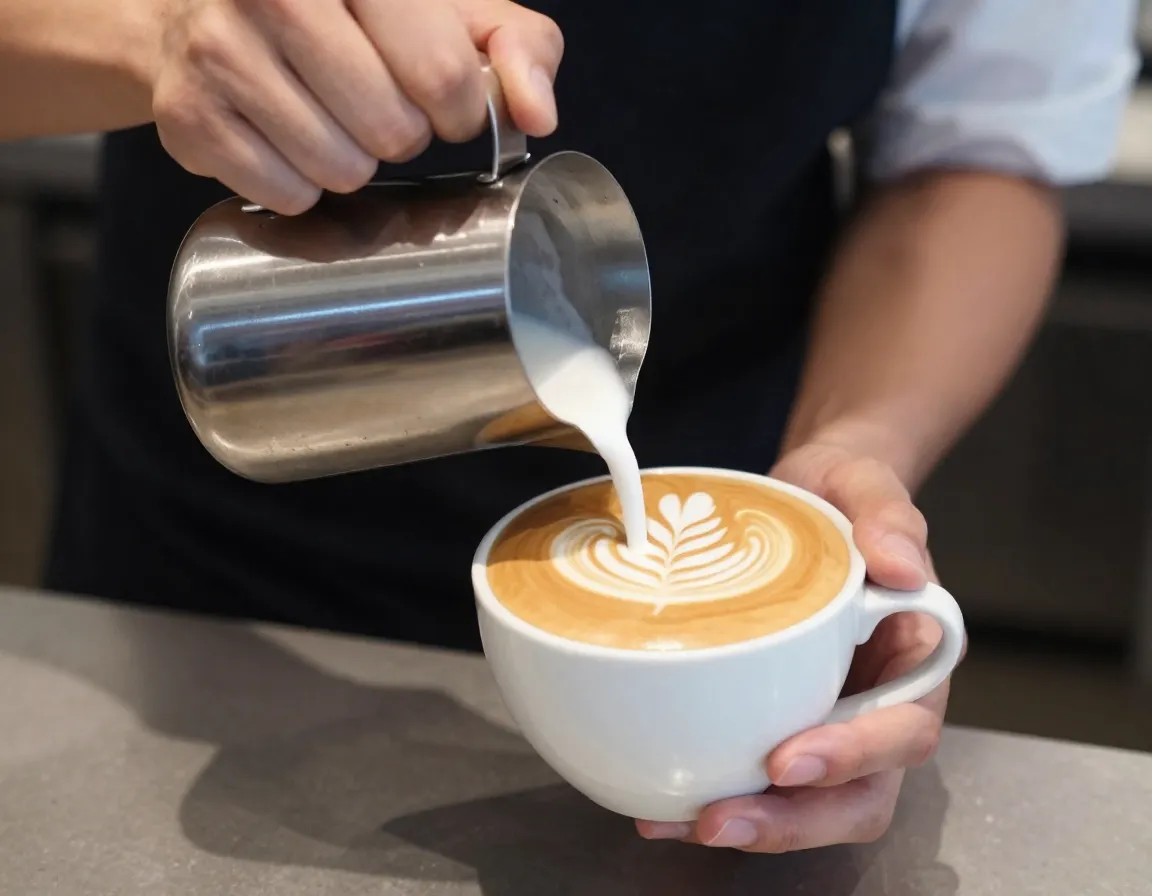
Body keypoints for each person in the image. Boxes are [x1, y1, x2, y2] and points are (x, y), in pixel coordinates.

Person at [0, 0, 1138, 854]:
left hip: (726, 502)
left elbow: (975, 155)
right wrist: (152, 30)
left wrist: (860, 447)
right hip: (203, 591)